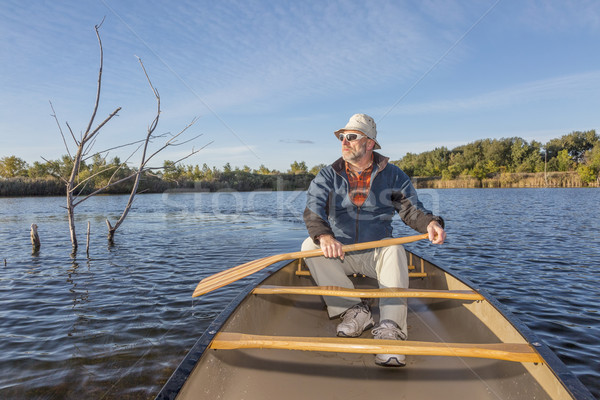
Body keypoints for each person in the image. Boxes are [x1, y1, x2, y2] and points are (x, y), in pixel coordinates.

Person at [302, 113, 446, 367]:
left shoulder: (393, 175)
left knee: (394, 248)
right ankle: (355, 310)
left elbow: (412, 210)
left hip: (376, 254)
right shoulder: (327, 175)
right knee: (308, 245)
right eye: (342, 137)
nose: (344, 142)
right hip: (340, 253)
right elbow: (313, 211)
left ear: (369, 143)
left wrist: (431, 223)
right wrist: (324, 236)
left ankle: (391, 329)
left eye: (351, 137)